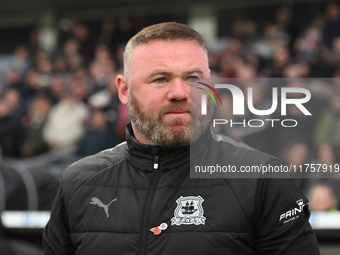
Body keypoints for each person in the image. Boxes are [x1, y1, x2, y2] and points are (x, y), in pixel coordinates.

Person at [43, 22, 320, 254]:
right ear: (124, 90)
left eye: (193, 78)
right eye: (161, 79)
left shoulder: (260, 179)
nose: (180, 93)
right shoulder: (78, 183)